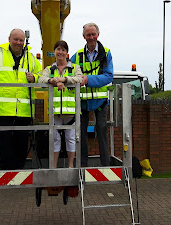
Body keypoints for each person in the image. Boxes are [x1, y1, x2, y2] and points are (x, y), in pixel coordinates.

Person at [0, 29, 41, 170]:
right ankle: (6, 171)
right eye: (15, 39)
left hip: (24, 111)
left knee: (22, 143)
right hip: (3, 110)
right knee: (5, 142)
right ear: (9, 38)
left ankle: (19, 171)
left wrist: (34, 77)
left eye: (21, 40)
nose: (18, 42)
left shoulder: (30, 57)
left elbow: (41, 74)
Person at [70, 22, 113, 167]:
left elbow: (108, 76)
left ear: (98, 35)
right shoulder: (77, 56)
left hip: (100, 101)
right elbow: (69, 73)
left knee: (101, 130)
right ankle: (82, 166)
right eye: (88, 35)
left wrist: (88, 79)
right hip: (82, 102)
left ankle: (105, 166)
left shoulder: (106, 53)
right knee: (80, 134)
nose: (91, 37)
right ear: (84, 37)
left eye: (93, 34)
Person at [39, 40, 83, 168]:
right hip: (55, 112)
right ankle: (53, 166)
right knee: (55, 139)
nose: (60, 52)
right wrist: (52, 80)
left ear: (67, 53)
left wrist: (64, 79)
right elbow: (41, 80)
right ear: (54, 52)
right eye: (58, 49)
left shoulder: (75, 68)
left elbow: (80, 79)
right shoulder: (49, 69)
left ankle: (70, 166)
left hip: (71, 112)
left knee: (71, 139)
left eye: (63, 50)